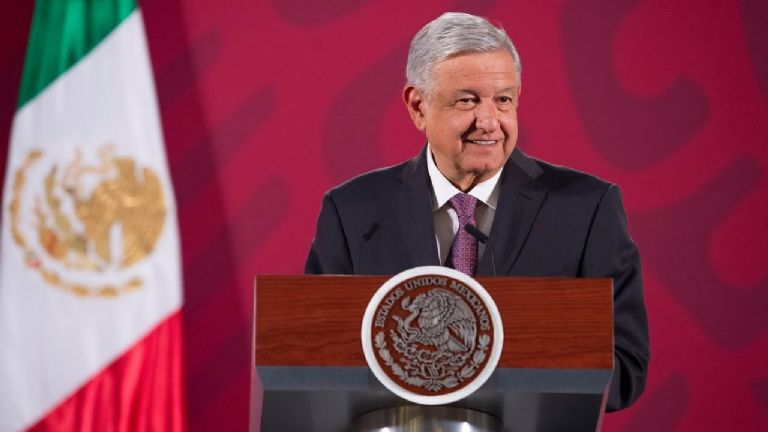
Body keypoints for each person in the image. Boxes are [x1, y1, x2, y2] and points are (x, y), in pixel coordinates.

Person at [305, 12, 649, 411]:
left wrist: (497, 371)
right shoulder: (352, 212)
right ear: (418, 106)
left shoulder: (586, 208)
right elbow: (312, 359)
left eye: (503, 100)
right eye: (467, 100)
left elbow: (625, 367)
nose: (488, 122)